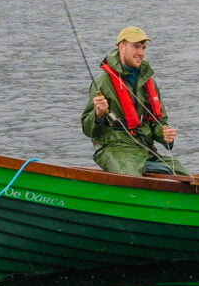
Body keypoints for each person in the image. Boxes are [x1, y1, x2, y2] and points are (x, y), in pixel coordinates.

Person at [82, 25, 192, 177]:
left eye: (143, 48)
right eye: (136, 47)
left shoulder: (149, 82)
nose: (141, 53)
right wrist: (98, 113)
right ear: (121, 47)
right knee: (130, 176)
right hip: (114, 149)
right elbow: (88, 130)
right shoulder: (102, 82)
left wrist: (164, 134)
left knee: (184, 175)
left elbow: (159, 122)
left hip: (145, 150)